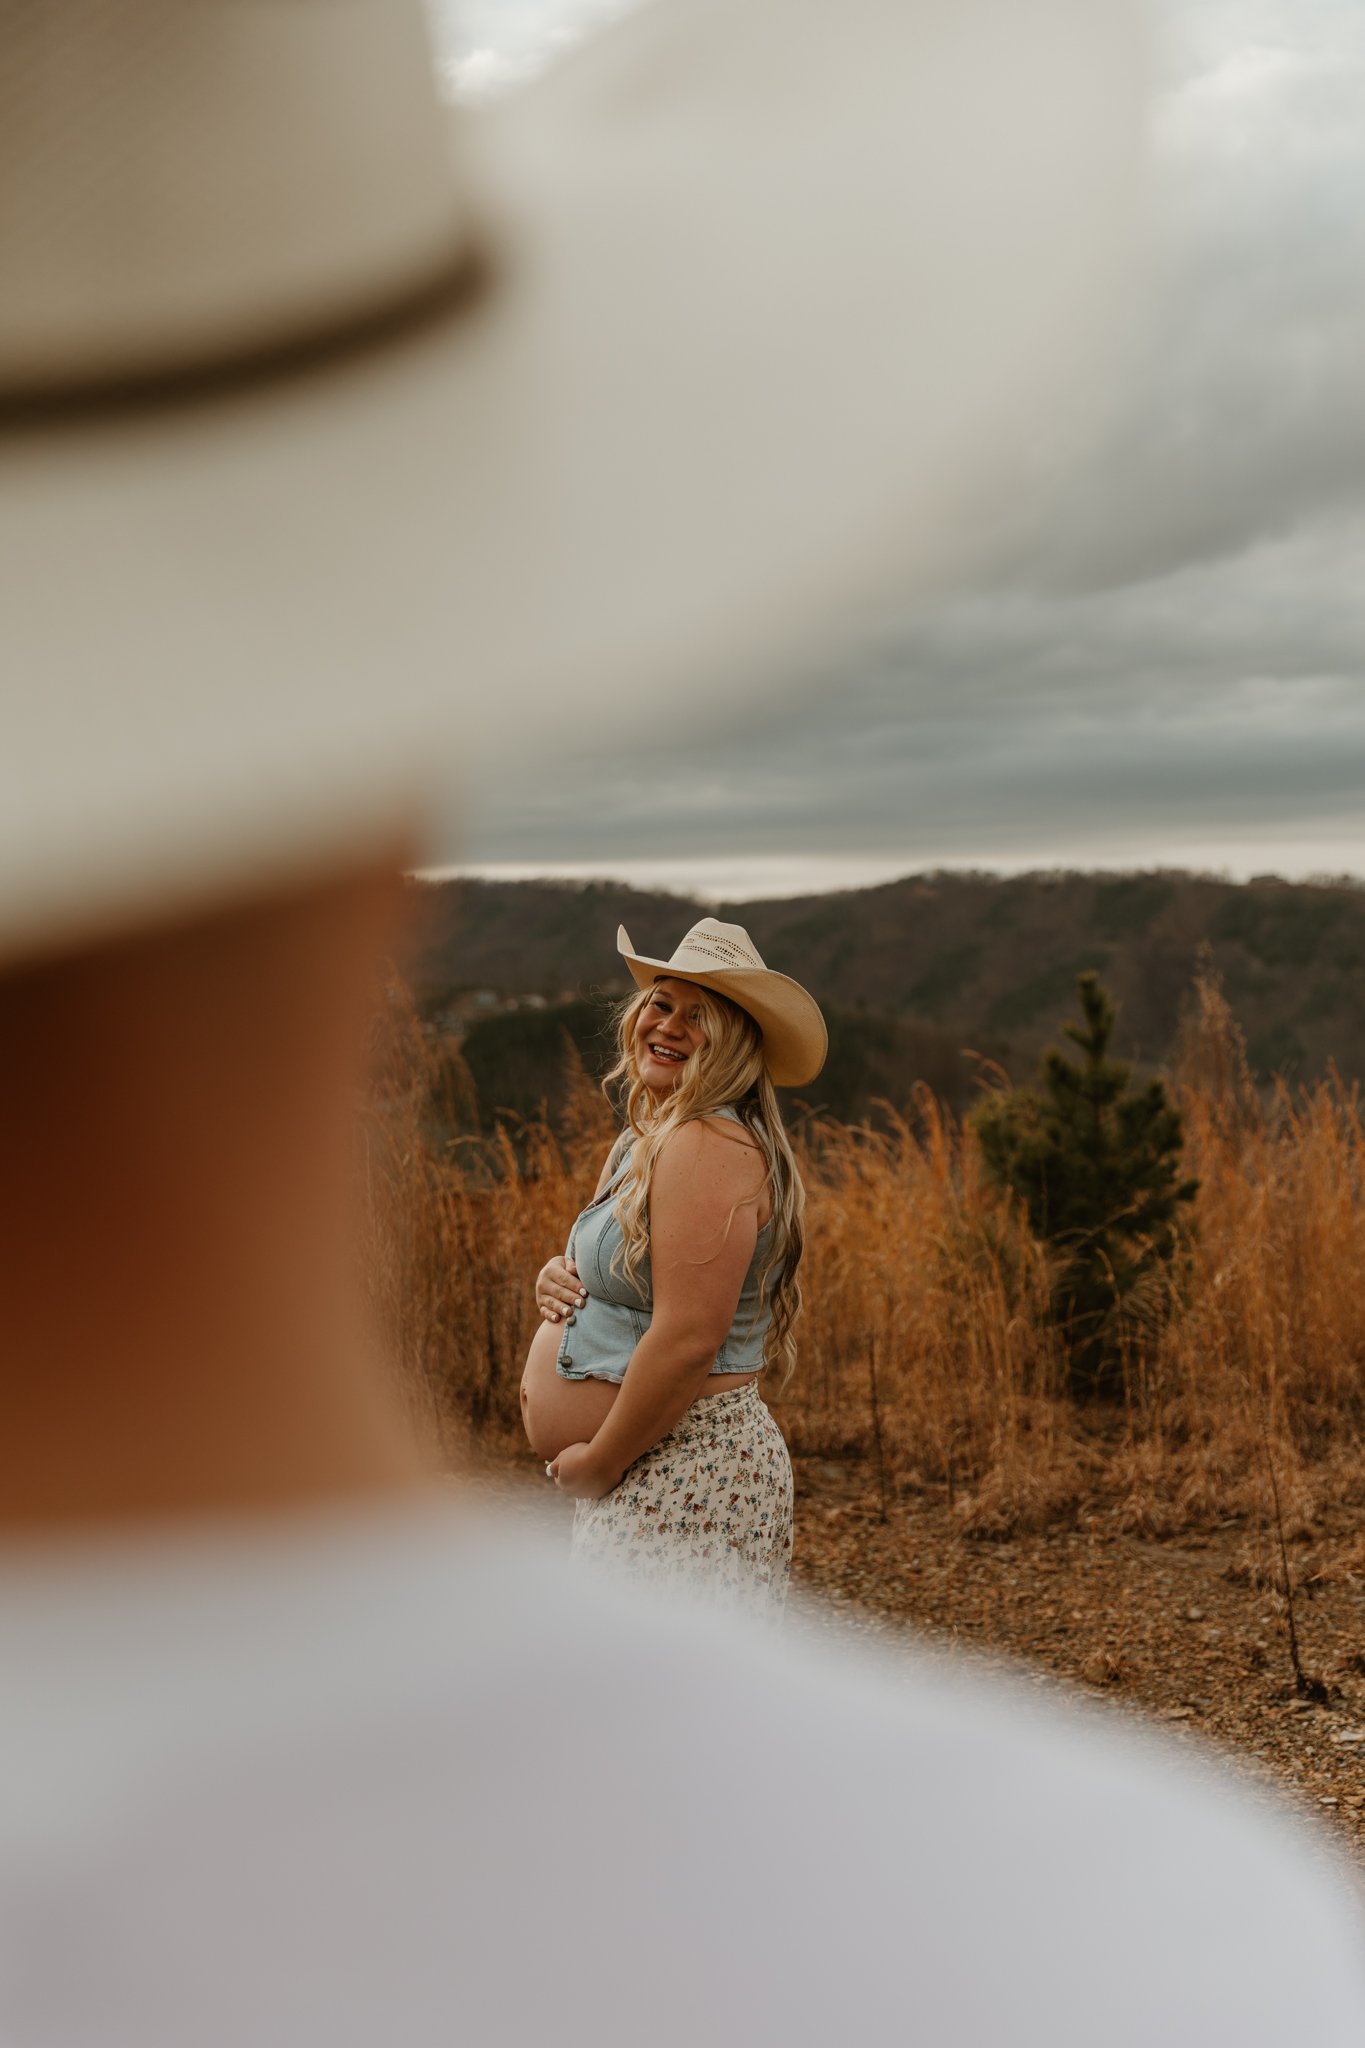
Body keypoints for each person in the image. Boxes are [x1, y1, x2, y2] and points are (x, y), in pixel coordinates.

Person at [7, 3, 1365, 2043]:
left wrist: (576, 1446)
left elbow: (678, 1344)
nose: (643, 1031)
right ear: (391, 777)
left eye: (669, 1009)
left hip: (656, 1506)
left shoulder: (717, 1153)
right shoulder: (1111, 1952)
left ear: (716, 1031)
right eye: (638, 1005)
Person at [520, 919, 826, 1609]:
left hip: (686, 1468)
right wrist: (558, 1278)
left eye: (702, 1017)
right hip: (650, 1462)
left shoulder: (704, 1144)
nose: (671, 1025)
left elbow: (690, 1336)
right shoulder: (649, 1137)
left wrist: (599, 1464)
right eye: (663, 1003)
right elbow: (634, 1280)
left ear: (737, 1046)